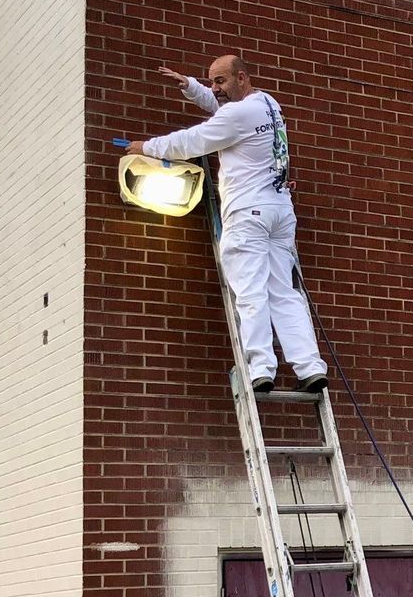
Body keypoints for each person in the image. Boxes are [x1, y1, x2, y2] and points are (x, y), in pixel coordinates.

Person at [126, 54, 328, 394]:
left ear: (242, 77)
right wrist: (191, 87)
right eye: (211, 82)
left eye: (220, 81)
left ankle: (261, 368)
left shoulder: (237, 115)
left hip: (248, 213)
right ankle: (309, 367)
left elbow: (193, 141)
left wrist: (145, 147)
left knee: (250, 292)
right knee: (284, 293)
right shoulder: (267, 103)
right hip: (279, 211)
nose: (214, 88)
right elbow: (224, 111)